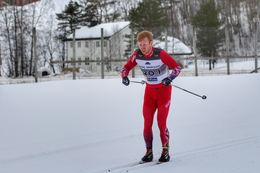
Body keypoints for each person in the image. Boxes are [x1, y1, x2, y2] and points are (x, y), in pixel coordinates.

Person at [121, 31, 181, 162]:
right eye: (140, 44)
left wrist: (169, 78)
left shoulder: (160, 54)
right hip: (149, 92)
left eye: (145, 44)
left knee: (161, 123)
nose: (142, 47)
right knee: (147, 124)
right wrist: (124, 76)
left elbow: (177, 68)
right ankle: (149, 152)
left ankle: (165, 150)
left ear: (151, 43)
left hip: (164, 92)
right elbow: (126, 68)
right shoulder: (137, 55)